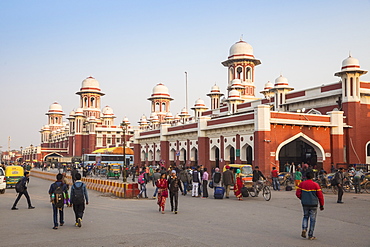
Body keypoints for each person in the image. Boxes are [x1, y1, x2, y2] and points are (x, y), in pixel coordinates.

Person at [296, 171, 324, 240]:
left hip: (305, 203)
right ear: (312, 177)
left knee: (305, 216)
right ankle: (310, 235)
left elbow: (297, 193)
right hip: (313, 204)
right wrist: (321, 205)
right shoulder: (316, 185)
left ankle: (304, 228)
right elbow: (320, 196)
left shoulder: (302, 184)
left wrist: (302, 198)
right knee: (312, 219)